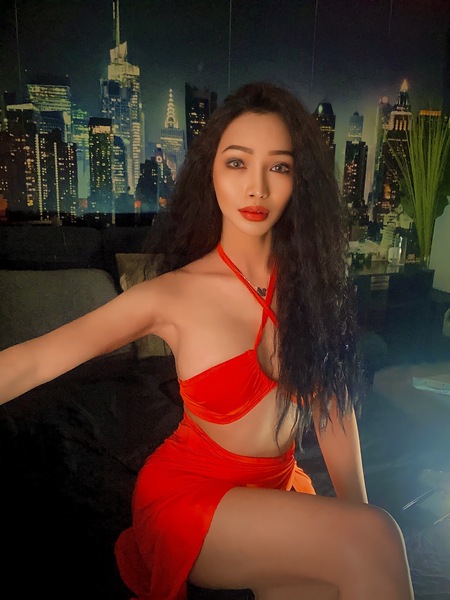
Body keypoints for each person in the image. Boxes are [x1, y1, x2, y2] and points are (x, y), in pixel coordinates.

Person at [0, 81, 414, 600]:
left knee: (348, 564)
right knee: (376, 539)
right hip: (191, 498)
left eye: (279, 167)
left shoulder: (311, 289)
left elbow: (333, 406)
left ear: (299, 180)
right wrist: (367, 536)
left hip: (277, 491)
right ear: (210, 173)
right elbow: (35, 360)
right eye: (237, 163)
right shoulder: (173, 294)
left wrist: (357, 516)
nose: (256, 188)